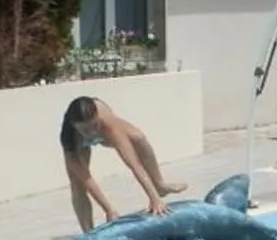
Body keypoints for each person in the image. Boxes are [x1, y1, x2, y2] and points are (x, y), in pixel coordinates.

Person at [58, 95, 187, 231]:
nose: (92, 132)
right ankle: (88, 232)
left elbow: (133, 163)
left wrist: (154, 198)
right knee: (77, 184)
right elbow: (87, 179)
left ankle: (159, 186)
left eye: (94, 126)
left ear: (97, 117)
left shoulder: (108, 123)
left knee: (138, 137)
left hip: (106, 131)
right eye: (86, 130)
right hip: (79, 141)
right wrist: (108, 209)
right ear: (74, 126)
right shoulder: (69, 139)